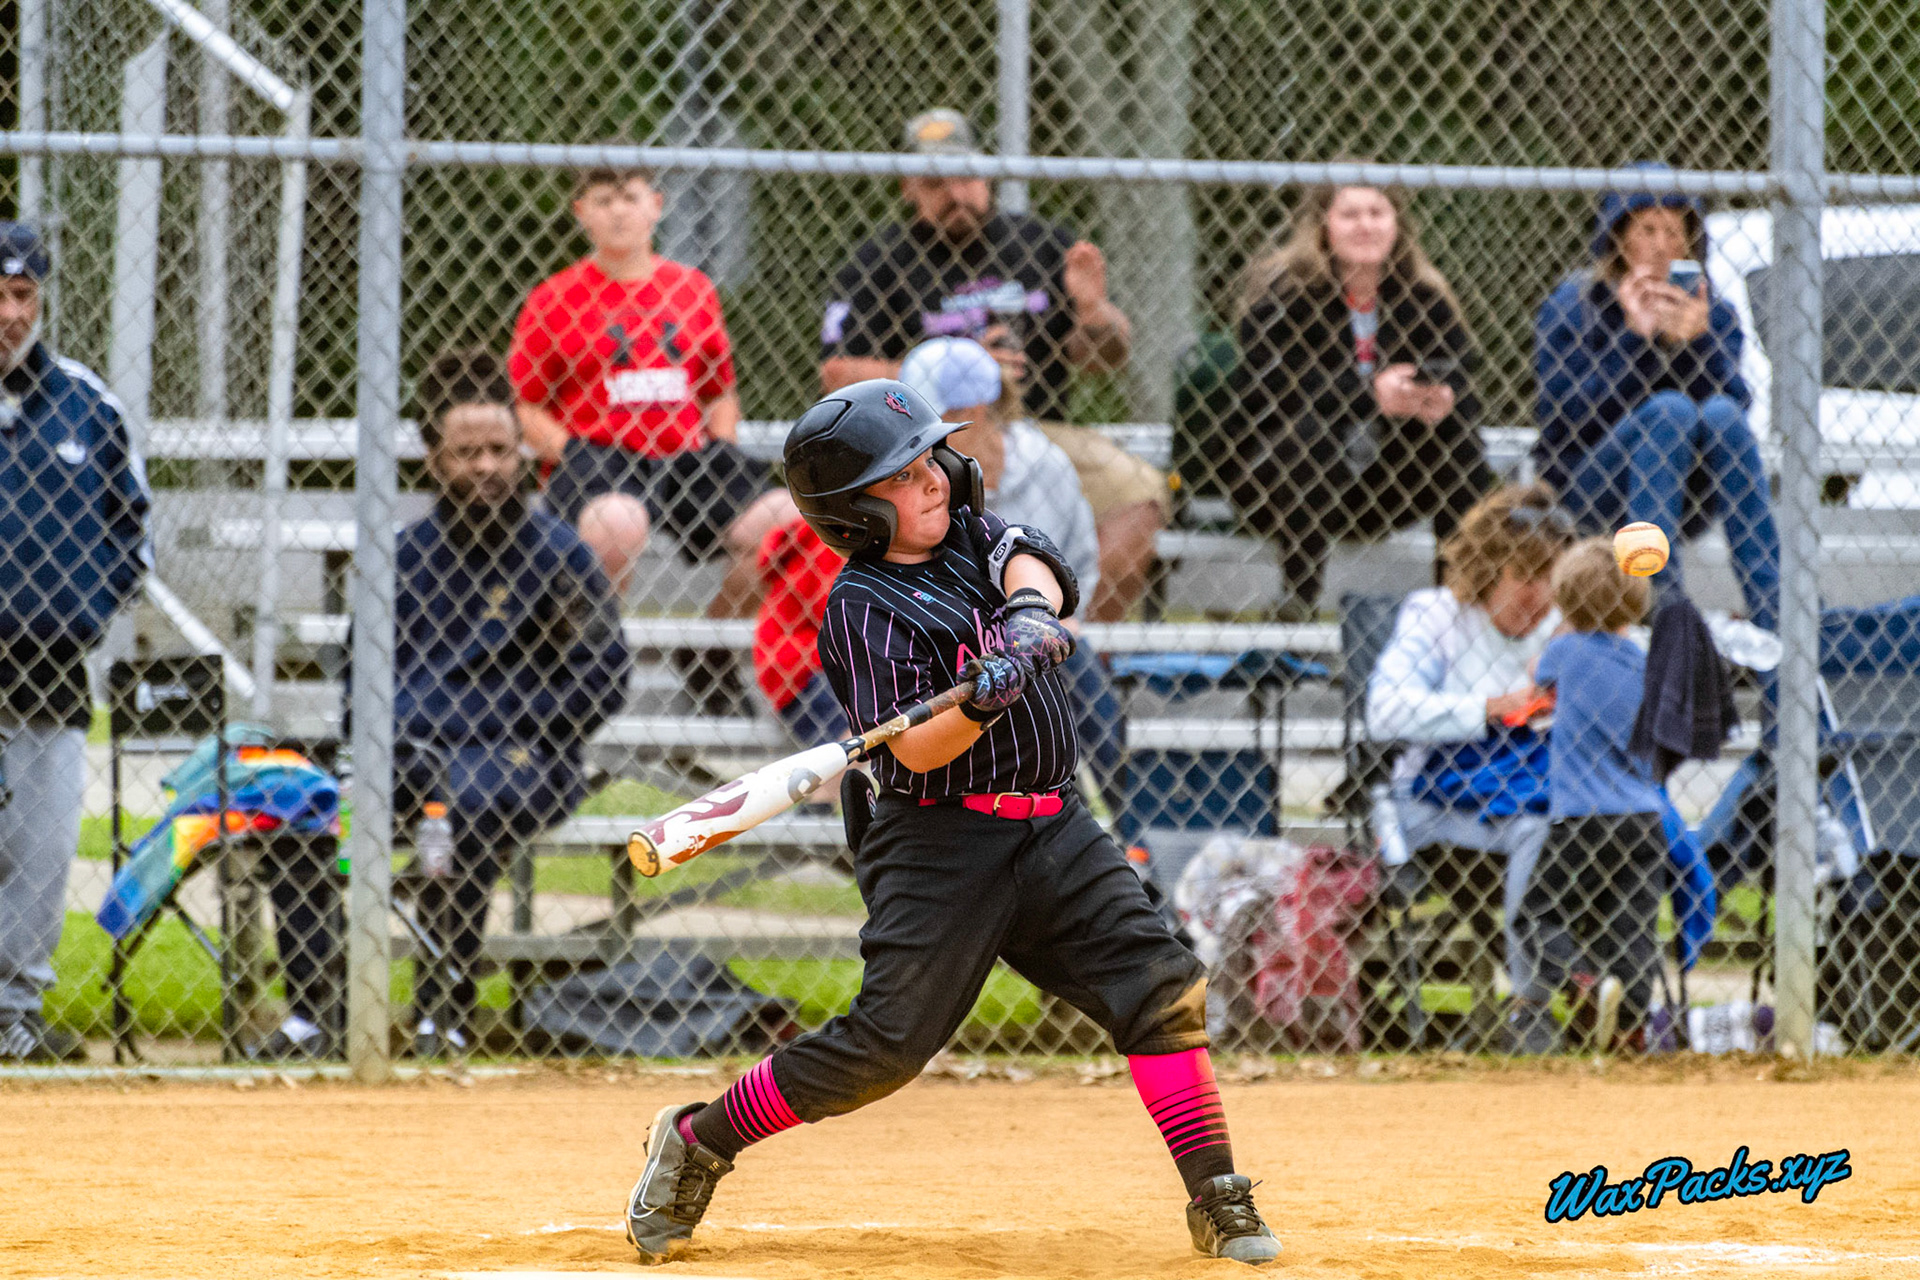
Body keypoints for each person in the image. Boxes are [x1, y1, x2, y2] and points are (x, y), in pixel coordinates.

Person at [622, 380, 1280, 1267]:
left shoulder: (973, 535)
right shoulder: (861, 608)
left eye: (931, 456)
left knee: (1160, 989)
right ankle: (700, 1138)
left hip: (1055, 826)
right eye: (903, 473)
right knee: (884, 1050)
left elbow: (1033, 553)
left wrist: (1029, 617)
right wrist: (982, 702)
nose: (932, 477)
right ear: (857, 513)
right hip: (939, 842)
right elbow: (918, 754)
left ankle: (1217, 1194)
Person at [253, 351, 631, 1061]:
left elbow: (603, 680)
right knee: (298, 806)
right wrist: (404, 737)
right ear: (434, 459)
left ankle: (442, 1012)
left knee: (463, 803)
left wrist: (477, 720)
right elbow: (358, 692)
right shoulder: (401, 558)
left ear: (521, 452)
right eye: (466, 453)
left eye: (498, 450)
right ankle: (319, 1012)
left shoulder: (559, 556)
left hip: (522, 760)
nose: (485, 467)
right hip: (405, 755)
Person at [818, 108, 1167, 623]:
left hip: (1038, 433)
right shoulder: (880, 262)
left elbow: (1103, 359)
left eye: (965, 175)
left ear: (985, 175)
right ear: (908, 189)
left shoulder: (1038, 244)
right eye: (935, 182)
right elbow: (837, 374)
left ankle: (1071, 648)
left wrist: (1094, 313)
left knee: (1141, 495)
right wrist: (954, 366)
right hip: (930, 445)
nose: (955, 193)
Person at [509, 165, 794, 708]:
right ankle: (594, 663)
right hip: (600, 455)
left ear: (655, 205)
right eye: (603, 198)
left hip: (686, 456)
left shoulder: (691, 289)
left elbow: (718, 392)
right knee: (616, 523)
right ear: (582, 211)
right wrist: (571, 453)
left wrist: (721, 444)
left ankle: (709, 649)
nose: (619, 210)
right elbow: (526, 405)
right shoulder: (554, 298)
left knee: (786, 521)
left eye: (630, 196)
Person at [0, 223, 152, 1063]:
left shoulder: (86, 404)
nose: (8, 313)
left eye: (22, 295)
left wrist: (86, 609)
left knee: (42, 851)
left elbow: (134, 533)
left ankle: (13, 1015)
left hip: (48, 665)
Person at [1365, 485, 1574, 1048]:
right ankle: (1539, 1003)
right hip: (1429, 801)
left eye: (1549, 578)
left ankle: (1556, 999)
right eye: (1523, 577)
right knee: (1536, 822)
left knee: (1546, 820)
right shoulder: (1437, 614)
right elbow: (1383, 709)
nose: (1538, 597)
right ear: (1487, 570)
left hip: (1529, 795)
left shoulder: (1563, 621)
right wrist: (1485, 711)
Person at [1232, 177, 1494, 618]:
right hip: (1279, 485)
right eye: (1350, 214)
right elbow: (1273, 390)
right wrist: (1369, 395)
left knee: (1461, 443)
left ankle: (1455, 603)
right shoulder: (1284, 294)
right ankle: (1298, 603)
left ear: (1397, 226)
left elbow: (1464, 378)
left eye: (1377, 213)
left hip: (1382, 487)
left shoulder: (1424, 298)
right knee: (1311, 434)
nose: (1365, 226)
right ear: (1323, 227)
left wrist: (1441, 401)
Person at [1533, 166, 1780, 631]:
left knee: (1720, 412)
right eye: (1647, 229)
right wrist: (1635, 340)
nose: (1662, 244)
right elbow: (1566, 419)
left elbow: (1736, 413)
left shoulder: (1714, 313)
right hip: (1592, 488)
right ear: (1619, 237)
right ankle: (1660, 604)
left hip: (1686, 496)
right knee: (1669, 411)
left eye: (1674, 230)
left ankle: (1776, 604)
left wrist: (1697, 343)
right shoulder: (1576, 306)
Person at [898, 335, 1125, 810]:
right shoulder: (927, 487)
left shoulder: (1046, 466)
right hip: (966, 653)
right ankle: (1068, 811)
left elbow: (1078, 566)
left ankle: (1135, 832)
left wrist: (1054, 621)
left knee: (1066, 664)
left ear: (975, 411)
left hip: (1043, 634)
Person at [1507, 540, 1665, 1055]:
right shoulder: (1645, 664)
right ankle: (1632, 1027)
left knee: (1537, 913)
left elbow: (1536, 677)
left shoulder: (1566, 652)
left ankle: (1584, 983)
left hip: (1582, 820)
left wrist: (1566, 631)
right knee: (1633, 927)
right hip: (1644, 819)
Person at [750, 511, 848, 747]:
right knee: (842, 750)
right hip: (799, 667)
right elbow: (837, 615)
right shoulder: (829, 537)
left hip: (814, 659)